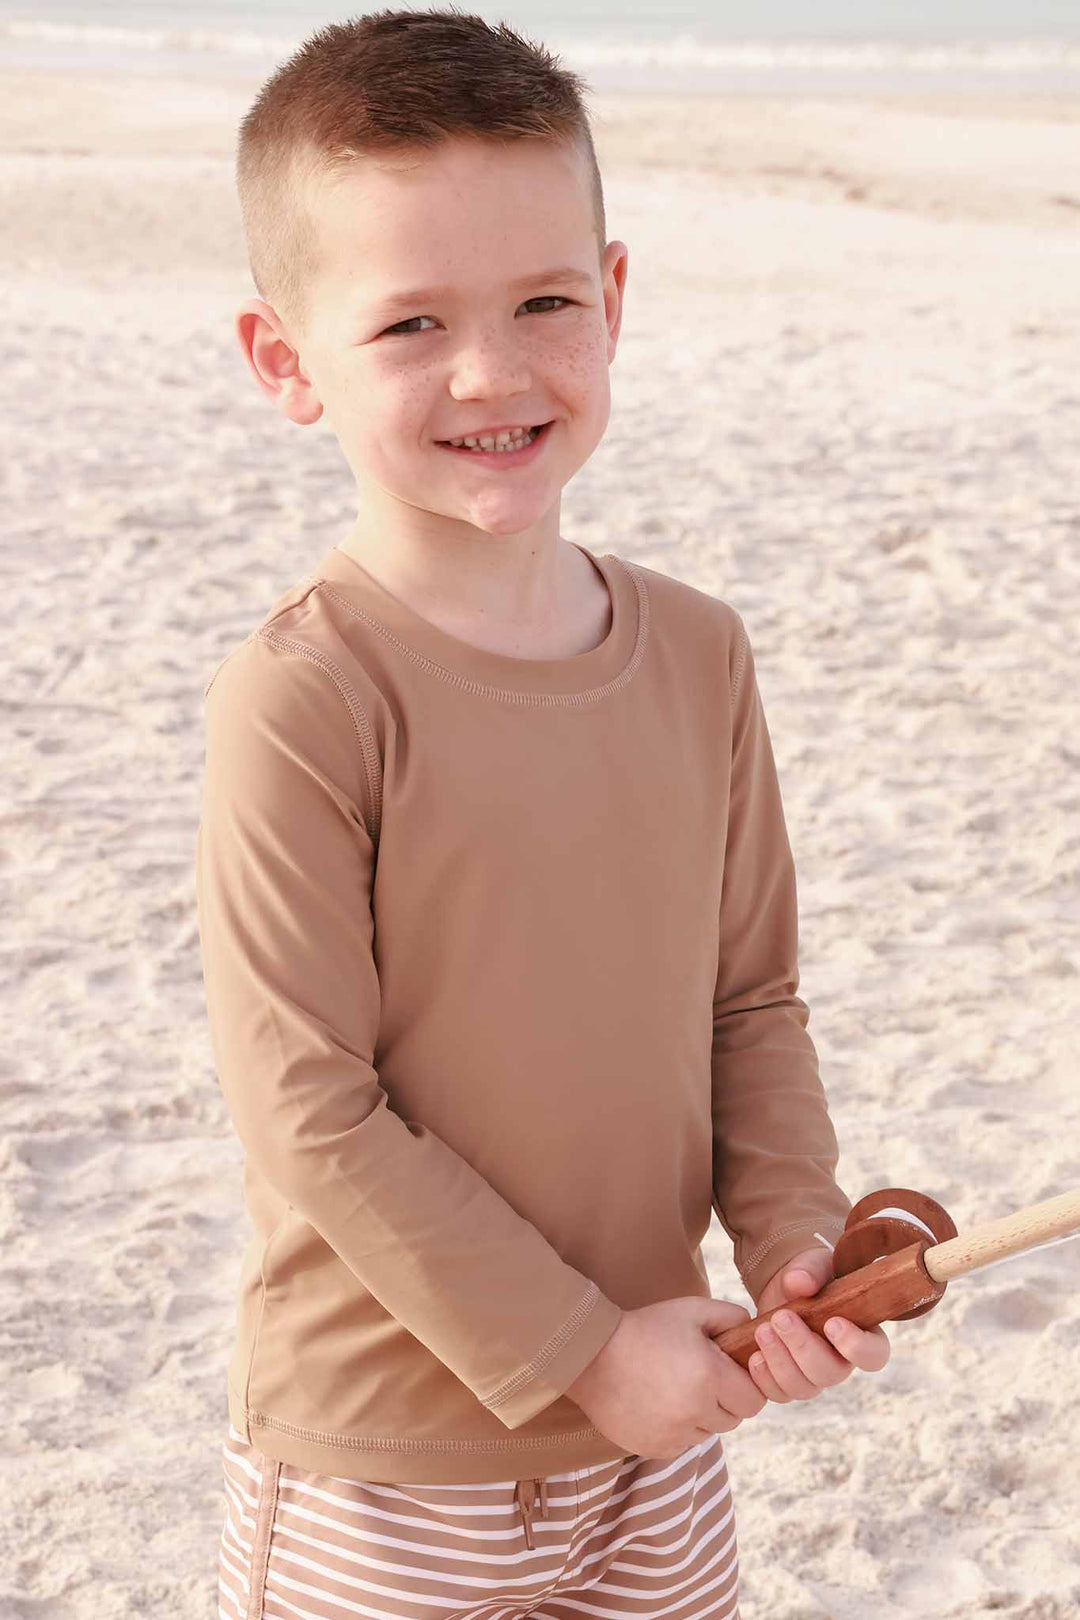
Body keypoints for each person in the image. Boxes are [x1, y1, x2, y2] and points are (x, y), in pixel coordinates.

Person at [196, 9, 890, 1619]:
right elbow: (311, 1109)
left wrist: (797, 1240)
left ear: (617, 300)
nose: (492, 370)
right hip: (386, 1462)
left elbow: (750, 998)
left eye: (544, 302)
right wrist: (581, 1354)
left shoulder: (701, 651)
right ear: (287, 364)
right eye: (411, 324)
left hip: (663, 1420)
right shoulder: (306, 697)